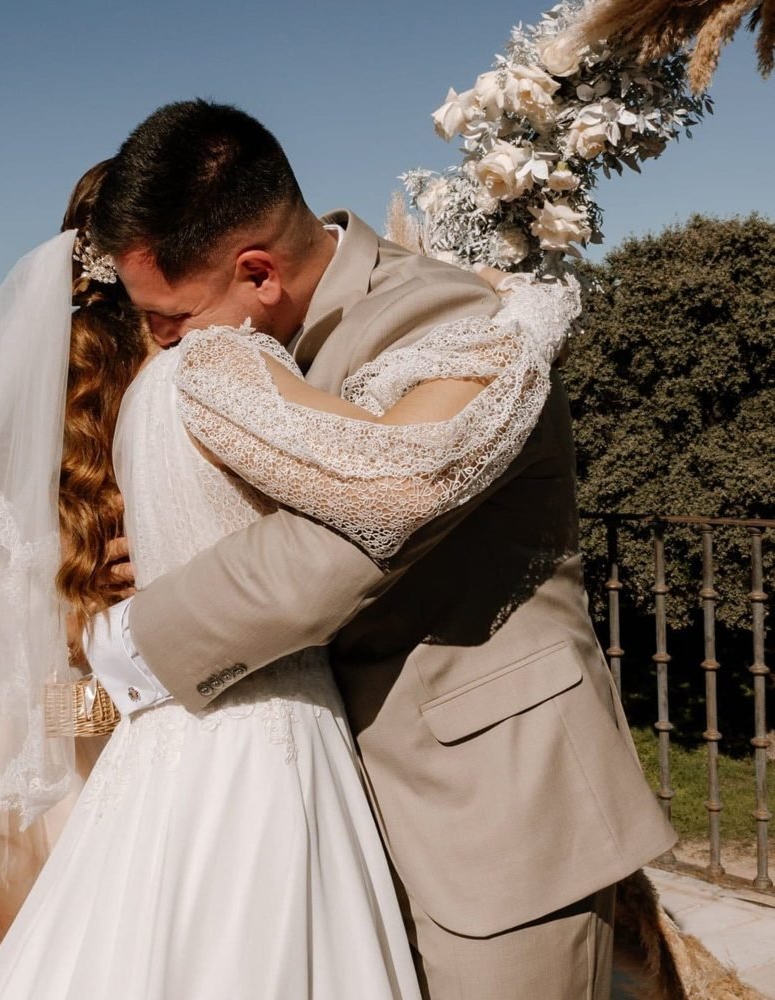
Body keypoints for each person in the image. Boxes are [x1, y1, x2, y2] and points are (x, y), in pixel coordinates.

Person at [80, 100, 678, 1000]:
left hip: (490, 808)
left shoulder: (443, 315)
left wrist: (133, 637)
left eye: (172, 318)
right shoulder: (242, 339)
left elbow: (346, 542)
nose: (162, 345)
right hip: (327, 800)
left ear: (257, 272)